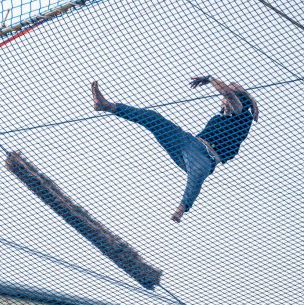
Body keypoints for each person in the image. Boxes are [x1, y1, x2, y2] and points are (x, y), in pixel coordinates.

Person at [91, 77, 258, 222]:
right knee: (153, 118)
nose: (222, 102)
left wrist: (209, 78)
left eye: (225, 100)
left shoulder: (241, 114)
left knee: (197, 176)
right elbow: (232, 89)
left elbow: (229, 93)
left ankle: (182, 207)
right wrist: (251, 99)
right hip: (187, 142)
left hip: (206, 157)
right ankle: (107, 106)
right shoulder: (222, 116)